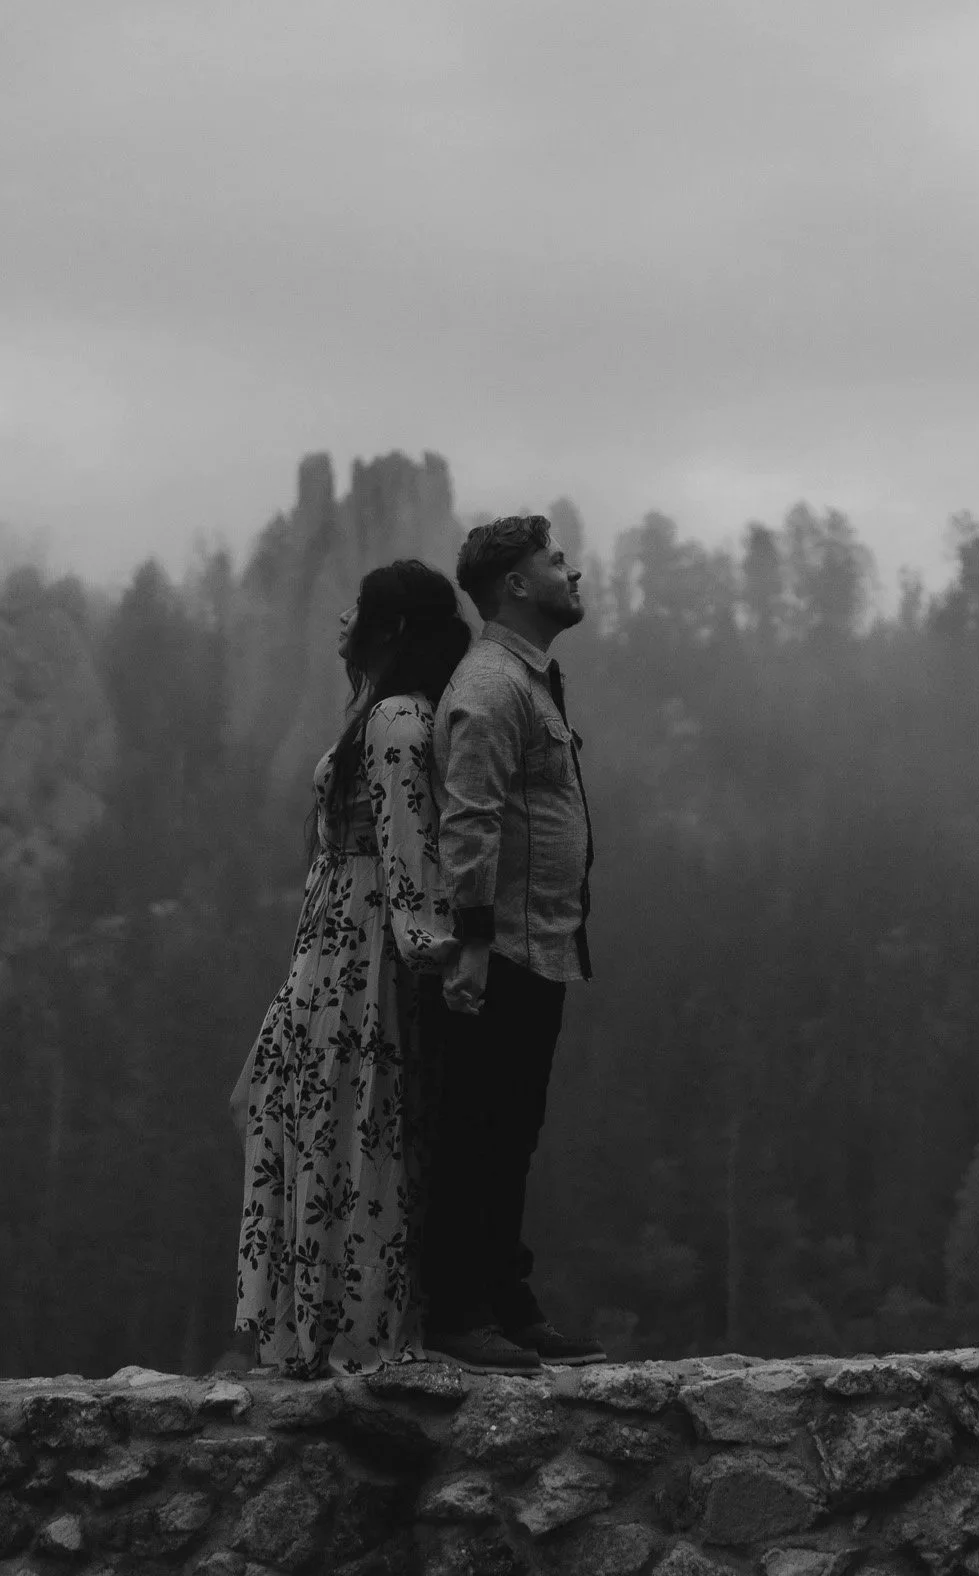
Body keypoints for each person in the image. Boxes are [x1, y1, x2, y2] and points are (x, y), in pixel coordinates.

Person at [233, 559, 469, 1376]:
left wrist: (428, 963)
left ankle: (353, 1337)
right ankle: (325, 1332)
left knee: (352, 1131)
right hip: (333, 949)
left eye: (358, 608)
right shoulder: (384, 712)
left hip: (363, 959)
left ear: (393, 627)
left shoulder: (399, 721)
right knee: (319, 1124)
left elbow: (411, 862)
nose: (341, 620)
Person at [420, 514, 606, 1371]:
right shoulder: (491, 686)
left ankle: (504, 1300)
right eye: (554, 561)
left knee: (509, 1133)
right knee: (479, 1133)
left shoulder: (526, 679)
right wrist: (470, 942)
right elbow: (470, 817)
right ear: (516, 586)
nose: (572, 570)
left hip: (538, 946)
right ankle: (457, 1311)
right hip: (500, 953)